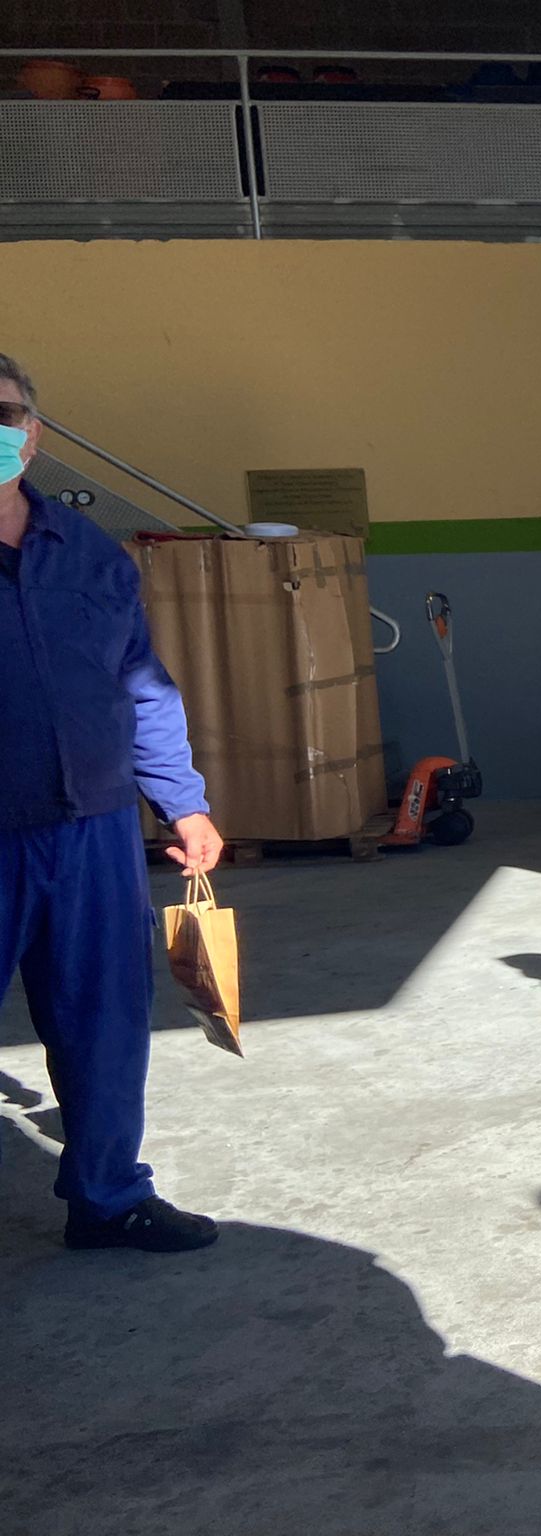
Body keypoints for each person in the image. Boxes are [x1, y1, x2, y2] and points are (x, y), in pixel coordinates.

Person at [0, 350, 222, 1253]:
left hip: (91, 828)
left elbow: (143, 688)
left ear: (35, 431)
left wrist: (184, 801)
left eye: (5, 411)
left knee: (106, 1022)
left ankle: (107, 1196)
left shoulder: (86, 552)